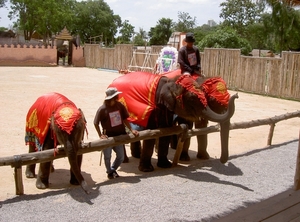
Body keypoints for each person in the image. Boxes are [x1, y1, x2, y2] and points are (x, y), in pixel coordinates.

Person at [94, 87, 139, 179]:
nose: (118, 97)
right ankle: (109, 172)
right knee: (107, 156)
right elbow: (95, 123)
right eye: (116, 96)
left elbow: (125, 119)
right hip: (108, 137)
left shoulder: (120, 106)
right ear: (113, 98)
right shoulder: (102, 109)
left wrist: (131, 130)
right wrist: (100, 134)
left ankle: (112, 169)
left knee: (121, 157)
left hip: (119, 135)